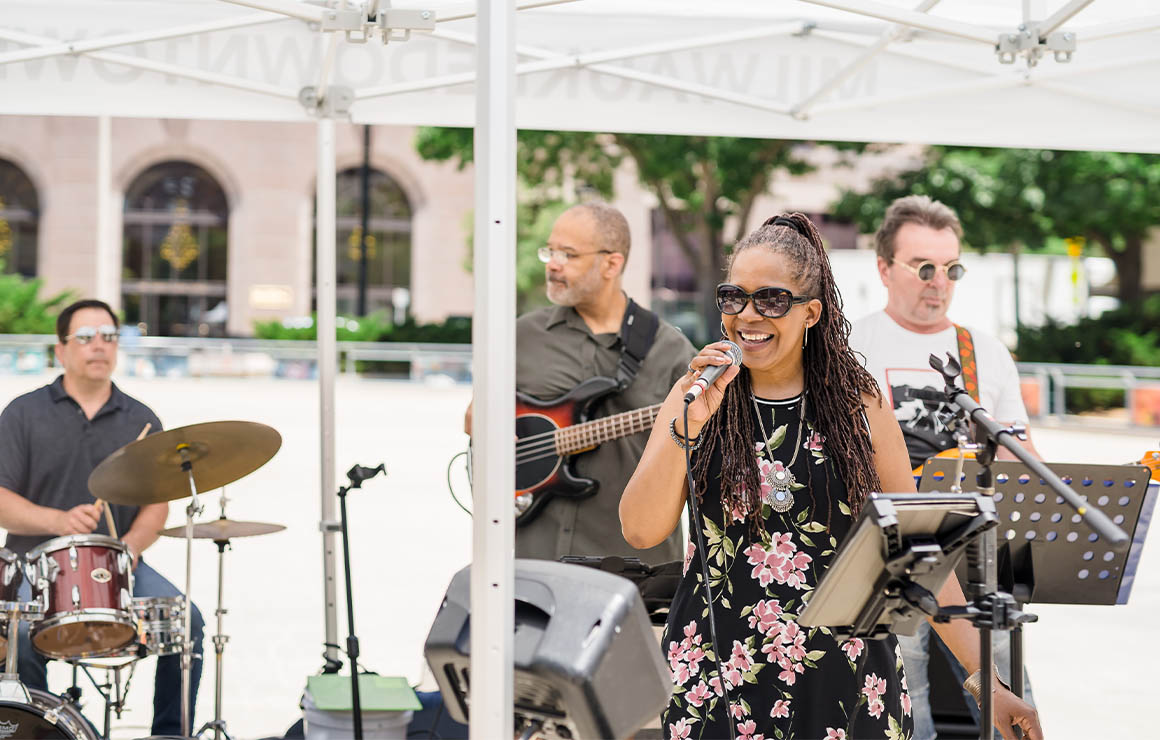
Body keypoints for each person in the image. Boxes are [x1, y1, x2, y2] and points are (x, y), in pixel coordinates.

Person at [620, 214, 1042, 740]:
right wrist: (685, 427)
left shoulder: (861, 407)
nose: (748, 315)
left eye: (771, 300)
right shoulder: (696, 396)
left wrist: (986, 678)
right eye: (734, 298)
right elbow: (640, 530)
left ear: (812, 312)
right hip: (717, 676)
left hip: (847, 677)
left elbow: (917, 557)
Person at [849, 195, 1038, 740]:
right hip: (886, 558)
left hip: (977, 558)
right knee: (904, 705)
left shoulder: (983, 350)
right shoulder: (851, 345)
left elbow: (1018, 454)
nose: (939, 281)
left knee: (1005, 695)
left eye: (951, 268)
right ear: (884, 268)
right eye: (923, 267)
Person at [0, 299, 204, 736]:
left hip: (118, 568)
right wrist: (57, 521)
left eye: (109, 337)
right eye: (86, 337)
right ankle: (45, 733)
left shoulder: (141, 420)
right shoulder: (23, 413)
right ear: (60, 350)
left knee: (188, 623)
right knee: (17, 638)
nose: (99, 346)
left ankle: (170, 734)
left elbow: (157, 503)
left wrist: (129, 549)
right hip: (32, 566)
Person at [465, 202, 696, 564]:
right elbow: (475, 416)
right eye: (551, 251)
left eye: (568, 254)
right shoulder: (522, 335)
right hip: (533, 557)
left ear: (612, 264)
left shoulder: (671, 350)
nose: (552, 263)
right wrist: (486, 426)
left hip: (636, 570)